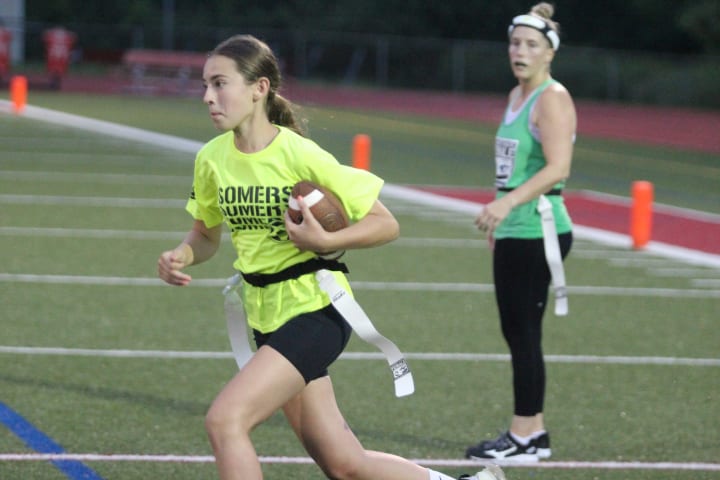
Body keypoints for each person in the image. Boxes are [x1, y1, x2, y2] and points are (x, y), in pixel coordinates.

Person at [157, 34, 505, 480]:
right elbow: (206, 235)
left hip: (316, 310)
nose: (207, 96)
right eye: (205, 85)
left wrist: (323, 242)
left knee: (225, 421)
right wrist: (183, 254)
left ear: (259, 88)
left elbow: (385, 223)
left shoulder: (298, 153)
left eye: (220, 83)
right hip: (265, 316)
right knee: (344, 466)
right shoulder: (211, 159)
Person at [466, 2, 576, 463]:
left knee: (524, 332)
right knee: (516, 331)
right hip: (516, 227)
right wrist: (502, 216)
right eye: (515, 43)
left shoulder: (551, 98)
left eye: (532, 44)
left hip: (539, 228)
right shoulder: (517, 95)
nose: (521, 51)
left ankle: (525, 437)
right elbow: (512, 169)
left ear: (549, 53)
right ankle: (532, 430)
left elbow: (558, 167)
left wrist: (507, 204)